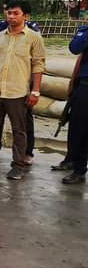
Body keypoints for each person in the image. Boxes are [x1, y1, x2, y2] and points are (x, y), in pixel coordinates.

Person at [0, 0, 46, 180]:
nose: (11, 17)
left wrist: (35, 91)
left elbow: (38, 65)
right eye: (9, 13)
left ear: (25, 16)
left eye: (16, 13)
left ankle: (18, 165)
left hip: (17, 92)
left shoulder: (33, 38)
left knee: (19, 130)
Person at [61, 25, 88, 184]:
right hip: (84, 86)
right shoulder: (84, 31)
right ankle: (77, 167)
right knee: (78, 128)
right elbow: (74, 48)